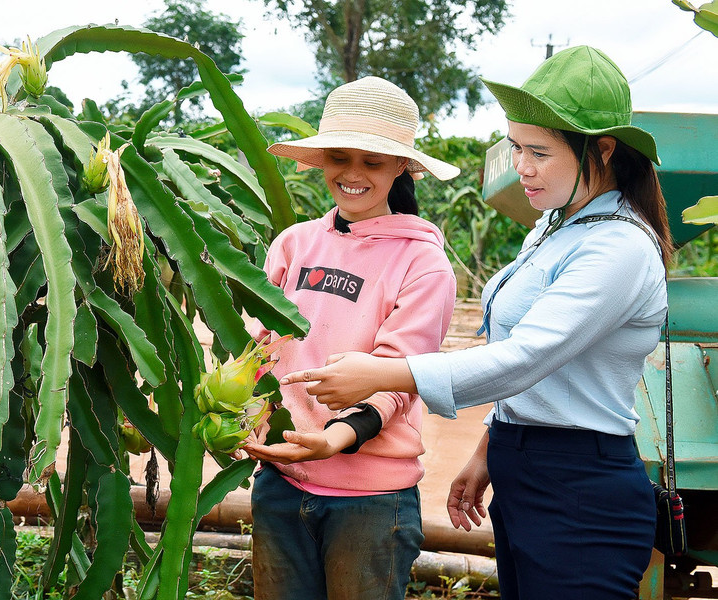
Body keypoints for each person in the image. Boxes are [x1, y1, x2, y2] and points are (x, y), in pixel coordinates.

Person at [277, 46, 673, 600]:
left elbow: (526, 356)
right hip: (525, 464)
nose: (522, 168)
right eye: (515, 147)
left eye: (538, 152)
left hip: (579, 483)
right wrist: (492, 447)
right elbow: (530, 368)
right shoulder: (553, 227)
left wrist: (386, 375)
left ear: (602, 149)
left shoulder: (620, 247)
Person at [242, 75, 460, 600]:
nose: (352, 174)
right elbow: (256, 343)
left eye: (373, 162)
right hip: (280, 481)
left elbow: (401, 374)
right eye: (340, 157)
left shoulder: (422, 263)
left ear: (401, 166)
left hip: (371, 501)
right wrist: (243, 411)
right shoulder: (293, 245)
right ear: (321, 160)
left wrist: (332, 440)